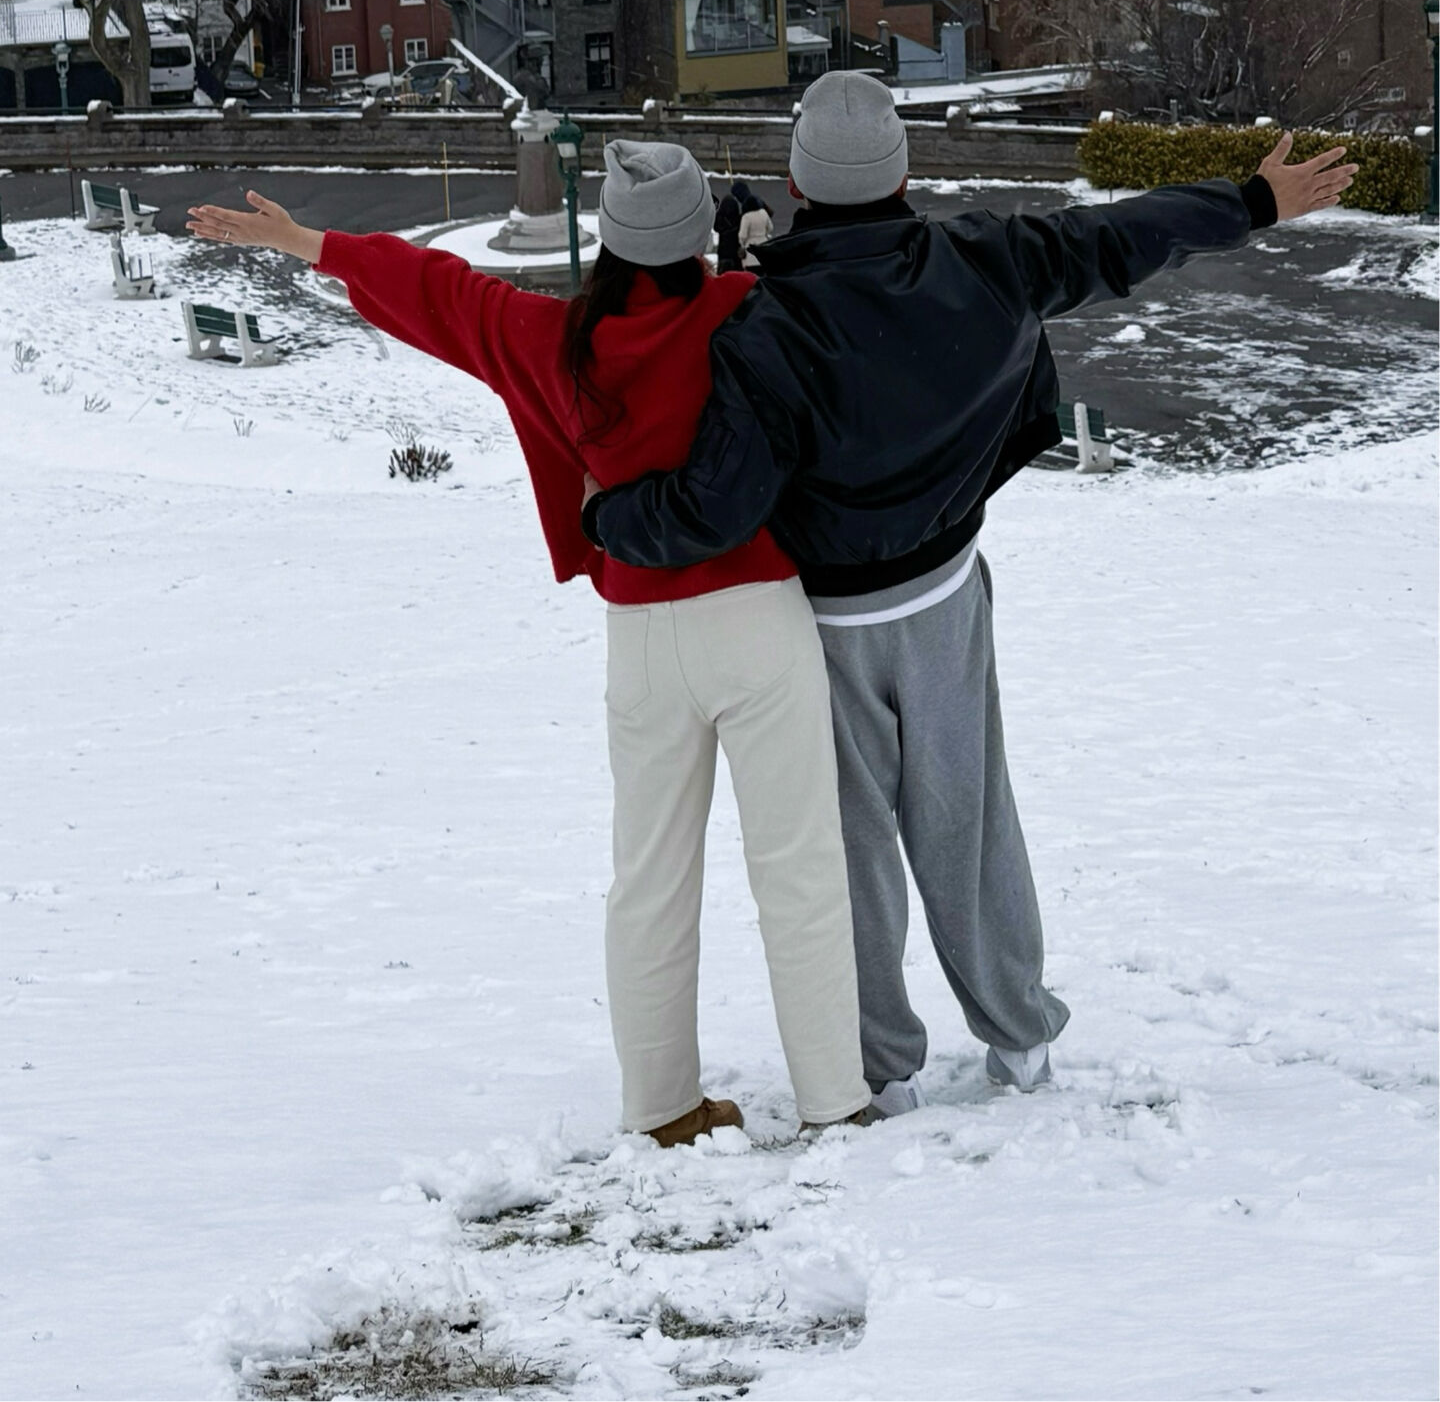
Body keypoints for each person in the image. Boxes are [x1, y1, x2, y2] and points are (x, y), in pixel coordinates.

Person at [584, 77, 1358, 1113]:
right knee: (971, 823)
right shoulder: (987, 258)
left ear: (797, 181)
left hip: (824, 626)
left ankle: (880, 1064)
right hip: (946, 595)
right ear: (904, 174)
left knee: (853, 850)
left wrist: (607, 522)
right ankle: (1020, 1036)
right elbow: (1118, 236)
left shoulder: (765, 323)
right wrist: (1251, 201)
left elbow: (714, 506)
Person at [187, 140, 868, 1146]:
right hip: (757, 617)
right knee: (798, 867)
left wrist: (312, 242)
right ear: (698, 241)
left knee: (648, 877)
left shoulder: (554, 340)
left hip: (641, 637)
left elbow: (442, 293)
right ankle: (832, 1102)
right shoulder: (745, 315)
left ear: (606, 243)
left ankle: (663, 1108)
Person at [714, 177, 773, 276]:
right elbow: (769, 222)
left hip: (726, 257)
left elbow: (742, 236)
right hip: (755, 253)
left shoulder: (721, 222)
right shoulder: (742, 217)